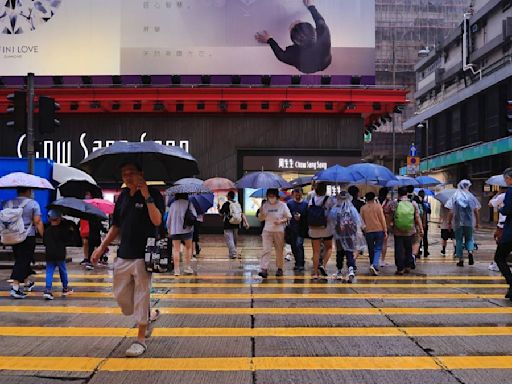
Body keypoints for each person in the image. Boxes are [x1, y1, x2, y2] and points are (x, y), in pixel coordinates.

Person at [91, 162, 164, 357]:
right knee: (122, 297)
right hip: (123, 254)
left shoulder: (154, 194)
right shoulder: (122, 197)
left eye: (131, 172)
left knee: (142, 295)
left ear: (141, 173)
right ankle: (147, 316)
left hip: (144, 255)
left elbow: (157, 221)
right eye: (124, 173)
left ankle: (140, 339)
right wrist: (101, 247)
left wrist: (147, 195)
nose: (127, 176)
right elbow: (116, 226)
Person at [255, 0, 331, 74]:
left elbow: (281, 56)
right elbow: (319, 19)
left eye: (292, 27)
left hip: (309, 67)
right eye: (299, 24)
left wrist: (269, 40)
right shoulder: (323, 32)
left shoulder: (294, 55)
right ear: (313, 29)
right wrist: (311, 6)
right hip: (324, 61)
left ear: (294, 42)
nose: (294, 22)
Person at [3, 187, 44, 299]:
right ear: (28, 191)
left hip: (12, 236)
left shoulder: (8, 203)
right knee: (23, 260)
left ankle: (27, 283)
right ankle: (15, 288)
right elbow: (37, 221)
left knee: (20, 258)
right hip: (27, 236)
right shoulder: (33, 204)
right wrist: (43, 236)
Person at [329, 191, 364, 281]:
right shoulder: (352, 209)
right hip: (350, 234)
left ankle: (339, 271)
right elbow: (358, 221)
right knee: (349, 252)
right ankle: (351, 270)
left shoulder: (335, 209)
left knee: (339, 253)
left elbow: (331, 220)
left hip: (339, 234)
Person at [257, 189, 292, 278]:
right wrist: (261, 212)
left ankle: (279, 268)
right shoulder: (265, 205)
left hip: (279, 231)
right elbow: (261, 219)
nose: (271, 198)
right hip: (267, 231)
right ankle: (264, 269)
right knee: (266, 250)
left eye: (273, 196)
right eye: (269, 196)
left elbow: (288, 217)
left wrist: (281, 221)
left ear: (277, 196)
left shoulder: (282, 205)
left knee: (279, 250)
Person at [388, 187, 423, 275]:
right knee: (408, 248)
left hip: (398, 230)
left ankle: (400, 268)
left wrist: (390, 223)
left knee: (399, 249)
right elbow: (417, 217)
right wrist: (421, 228)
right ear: (407, 193)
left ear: (398, 194)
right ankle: (407, 266)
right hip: (410, 230)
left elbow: (389, 213)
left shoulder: (394, 203)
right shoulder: (413, 203)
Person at [446, 180, 481, 267]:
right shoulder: (471, 197)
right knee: (469, 239)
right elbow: (476, 211)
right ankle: (470, 253)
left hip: (458, 223)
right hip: (469, 223)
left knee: (458, 240)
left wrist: (449, 223)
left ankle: (461, 260)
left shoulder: (455, 197)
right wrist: (477, 222)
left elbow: (451, 212)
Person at [42, 209, 75, 300]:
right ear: (59, 218)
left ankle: (48, 290)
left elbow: (44, 242)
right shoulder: (63, 229)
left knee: (49, 271)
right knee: (63, 271)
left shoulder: (47, 230)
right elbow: (67, 240)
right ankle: (65, 288)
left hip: (49, 254)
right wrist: (71, 231)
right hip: (60, 254)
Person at [307, 182, 334, 279]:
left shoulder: (312, 200)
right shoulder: (329, 200)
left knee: (316, 251)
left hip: (313, 228)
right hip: (326, 228)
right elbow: (333, 213)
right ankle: (323, 265)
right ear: (325, 190)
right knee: (329, 248)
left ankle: (314, 273)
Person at [167, 193, 197, 276]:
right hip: (187, 229)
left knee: (176, 249)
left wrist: (168, 228)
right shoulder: (189, 203)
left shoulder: (173, 205)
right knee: (188, 248)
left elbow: (169, 218)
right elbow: (194, 215)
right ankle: (187, 267)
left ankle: (177, 270)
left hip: (175, 230)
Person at [494, 168, 512, 300]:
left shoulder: (510, 191)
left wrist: (501, 208)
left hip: (510, 232)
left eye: (506, 179)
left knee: (499, 258)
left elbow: (507, 210)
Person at [360, 191, 387, 276]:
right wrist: (385, 230)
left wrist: (363, 230)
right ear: (374, 198)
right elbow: (382, 219)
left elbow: (361, 221)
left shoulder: (363, 208)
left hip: (368, 231)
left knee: (371, 249)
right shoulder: (378, 207)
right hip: (379, 230)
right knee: (378, 248)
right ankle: (374, 265)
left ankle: (372, 264)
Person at [219, 191, 247, 259]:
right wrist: (245, 222)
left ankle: (233, 253)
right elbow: (241, 213)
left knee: (229, 239)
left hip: (228, 224)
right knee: (234, 240)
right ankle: (232, 253)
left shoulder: (226, 204)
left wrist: (218, 208)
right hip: (236, 224)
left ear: (228, 196)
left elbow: (221, 214)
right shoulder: (237, 203)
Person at [286, 188, 308, 272]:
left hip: (301, 228)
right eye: (296, 194)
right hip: (292, 228)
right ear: (293, 194)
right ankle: (297, 262)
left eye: (299, 194)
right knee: (293, 246)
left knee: (299, 245)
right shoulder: (289, 203)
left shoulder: (305, 204)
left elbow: (307, 215)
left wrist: (301, 217)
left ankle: (301, 263)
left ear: (302, 194)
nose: (298, 195)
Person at [488, 190, 507, 271]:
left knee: (501, 244)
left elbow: (490, 204)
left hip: (503, 225)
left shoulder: (502, 196)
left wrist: (496, 196)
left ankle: (497, 264)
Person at [379, 187, 393, 267]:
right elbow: (393, 213)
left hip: (376, 224)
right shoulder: (389, 202)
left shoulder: (375, 201)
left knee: (376, 243)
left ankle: (375, 259)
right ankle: (382, 260)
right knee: (384, 243)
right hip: (386, 225)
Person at [417, 189, 431, 258]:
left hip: (418, 223)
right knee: (425, 238)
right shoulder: (426, 203)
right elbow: (429, 211)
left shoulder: (416, 203)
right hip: (425, 223)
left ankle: (418, 251)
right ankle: (426, 252)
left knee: (418, 238)